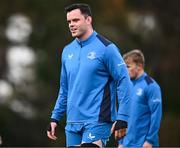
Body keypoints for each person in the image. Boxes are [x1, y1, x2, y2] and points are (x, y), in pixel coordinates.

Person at [46, 3, 131, 147]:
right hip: (72, 123)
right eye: (69, 22)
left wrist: (123, 116)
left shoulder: (107, 48)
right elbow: (64, 88)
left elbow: (124, 80)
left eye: (76, 20)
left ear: (88, 20)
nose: (71, 25)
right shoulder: (67, 51)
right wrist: (55, 117)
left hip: (97, 121)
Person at [118, 49, 162, 148]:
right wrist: (121, 142)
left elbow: (156, 115)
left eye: (128, 67)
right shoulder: (126, 86)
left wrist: (149, 140)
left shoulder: (151, 86)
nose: (125, 70)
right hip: (126, 144)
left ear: (139, 66)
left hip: (143, 144)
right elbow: (122, 114)